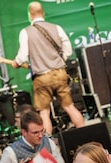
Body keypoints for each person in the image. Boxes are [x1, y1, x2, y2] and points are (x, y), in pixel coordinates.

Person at [12, 2, 85, 135]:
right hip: (59, 73)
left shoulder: (25, 32)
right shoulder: (56, 27)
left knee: (44, 113)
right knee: (69, 106)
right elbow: (68, 50)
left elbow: (22, 56)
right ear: (43, 13)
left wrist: (16, 63)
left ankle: (49, 145)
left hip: (42, 78)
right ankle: (85, 135)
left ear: (29, 15)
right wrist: (59, 61)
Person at [0, 110, 65, 163]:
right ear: (24, 132)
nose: (41, 135)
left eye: (42, 131)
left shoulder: (48, 142)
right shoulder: (11, 151)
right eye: (35, 132)